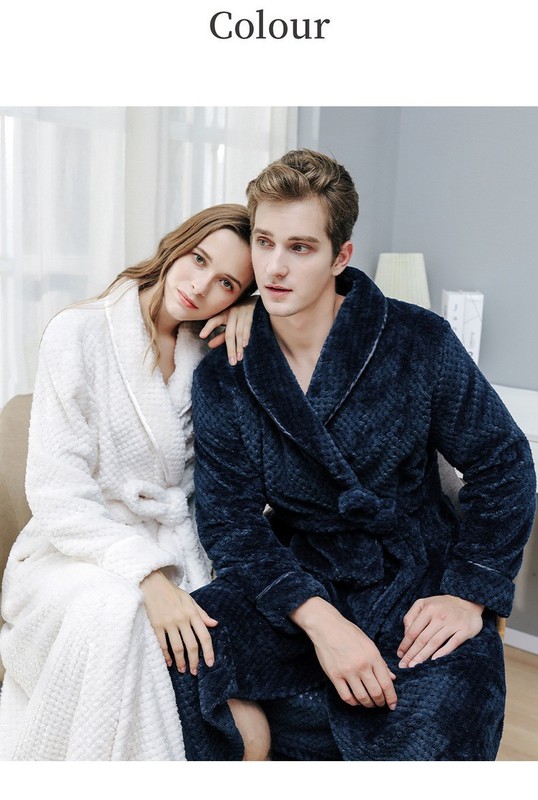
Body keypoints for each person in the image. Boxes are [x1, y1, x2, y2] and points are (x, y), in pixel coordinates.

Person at [170, 150, 537, 761]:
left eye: (301, 248)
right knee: (187, 652)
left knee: (447, 711)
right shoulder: (226, 374)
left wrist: (469, 591)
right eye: (264, 242)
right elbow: (230, 523)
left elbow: (503, 462)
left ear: (340, 257)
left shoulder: (418, 341)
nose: (275, 268)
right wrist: (322, 623)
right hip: (300, 580)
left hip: (414, 580)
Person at [0, 203, 257, 760]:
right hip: (73, 552)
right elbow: (57, 494)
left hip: (175, 545)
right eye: (199, 259)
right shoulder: (79, 332)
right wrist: (149, 578)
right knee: (116, 612)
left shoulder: (209, 351)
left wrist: (257, 314)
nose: (200, 286)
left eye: (227, 283)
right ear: (176, 245)